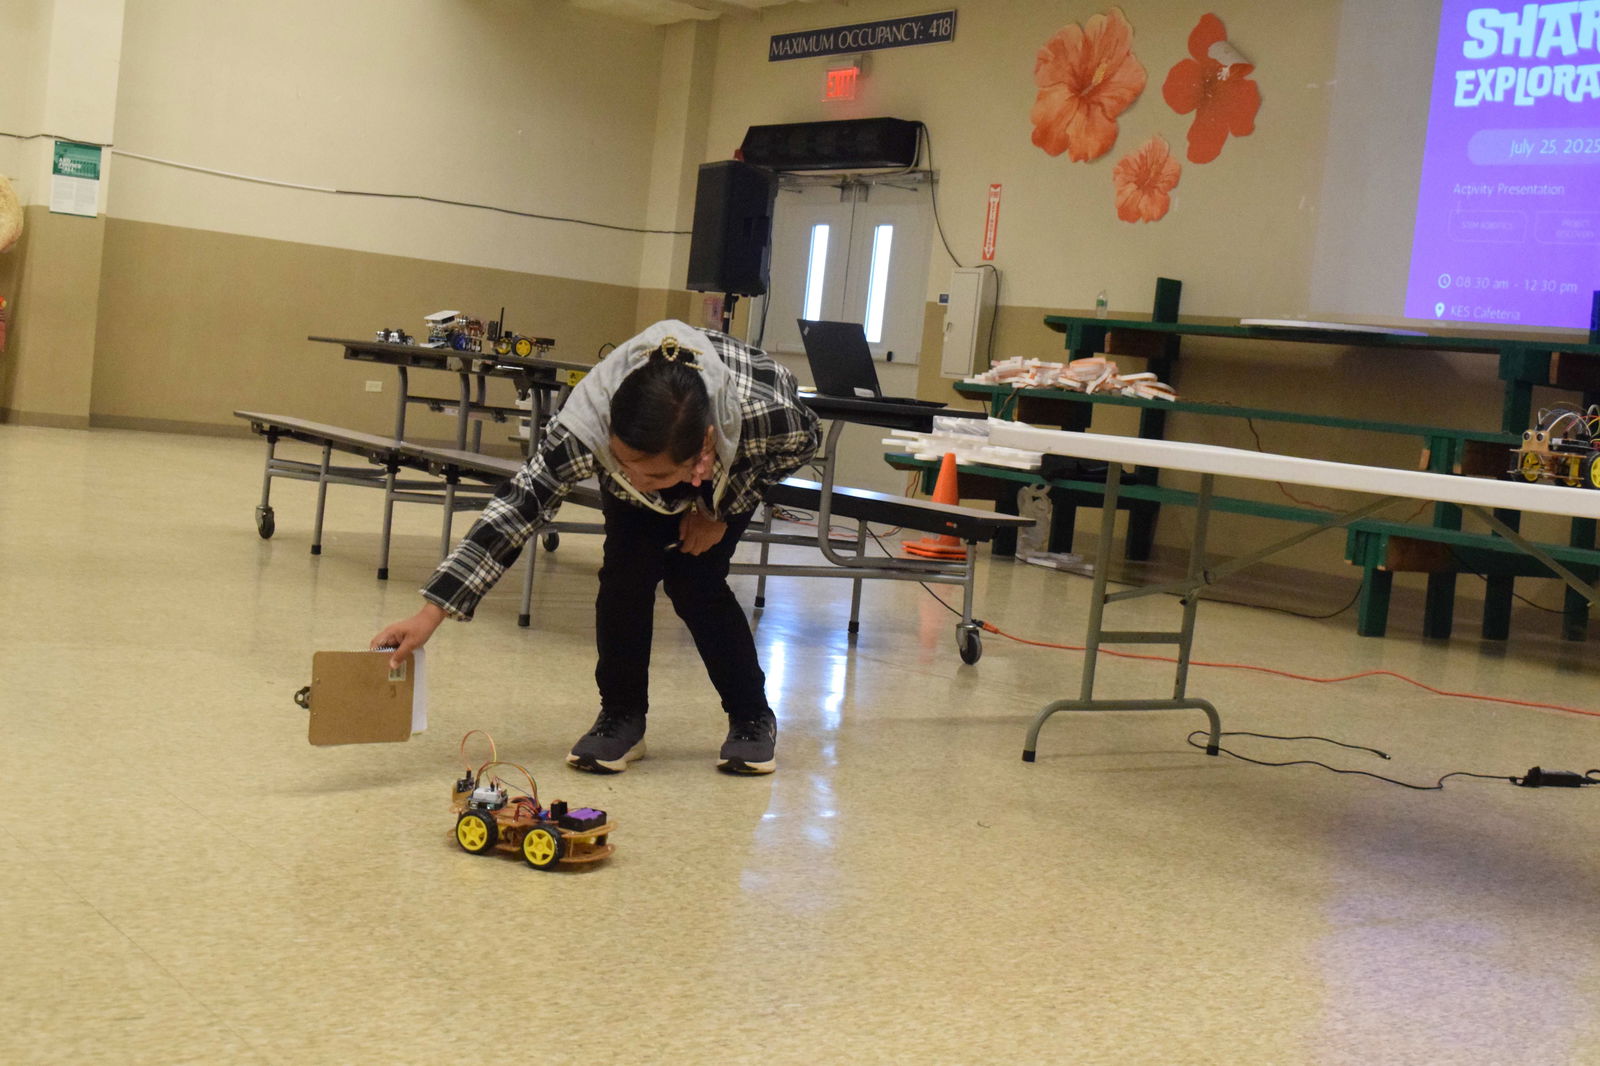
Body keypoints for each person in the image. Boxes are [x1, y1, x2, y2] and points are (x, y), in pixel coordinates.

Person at [371, 320, 821, 775]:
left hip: (729, 467)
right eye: (627, 465)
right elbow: (516, 509)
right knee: (625, 575)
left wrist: (716, 512)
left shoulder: (766, 418)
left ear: (704, 446)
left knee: (695, 581)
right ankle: (621, 717)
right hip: (661, 459)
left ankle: (751, 716)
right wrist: (430, 613)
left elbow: (798, 449)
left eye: (657, 476)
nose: (641, 481)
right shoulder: (583, 428)